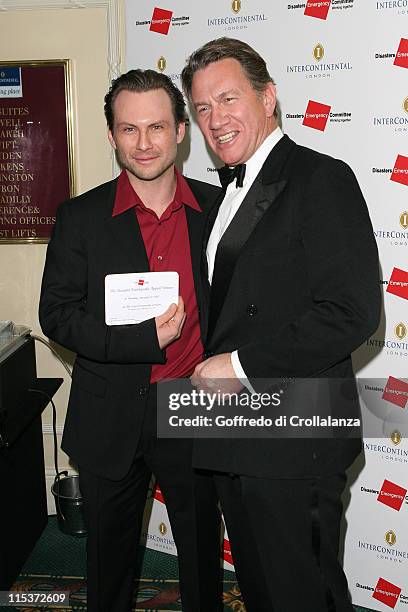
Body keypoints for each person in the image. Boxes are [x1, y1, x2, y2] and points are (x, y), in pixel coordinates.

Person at [181, 38, 380, 612]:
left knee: (305, 593)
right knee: (264, 591)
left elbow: (353, 311)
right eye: (202, 108)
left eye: (228, 98)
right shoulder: (222, 197)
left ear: (268, 98)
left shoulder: (321, 178)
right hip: (234, 431)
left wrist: (240, 366)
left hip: (295, 438)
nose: (215, 119)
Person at [39, 69, 222, 612]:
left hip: (195, 403)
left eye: (157, 127)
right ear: (111, 135)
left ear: (181, 131)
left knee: (200, 552)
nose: (143, 144)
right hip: (110, 411)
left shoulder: (219, 213)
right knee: (109, 559)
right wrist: (141, 339)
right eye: (129, 129)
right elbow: (58, 316)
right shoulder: (81, 217)